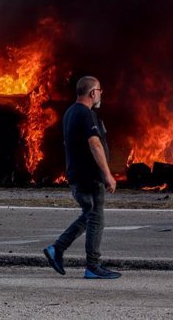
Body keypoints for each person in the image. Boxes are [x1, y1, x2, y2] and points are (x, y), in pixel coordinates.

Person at [43, 76, 121, 279]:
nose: (101, 94)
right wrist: (107, 174)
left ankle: (57, 249)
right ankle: (92, 266)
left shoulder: (70, 112)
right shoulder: (85, 114)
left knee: (89, 215)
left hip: (77, 175)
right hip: (88, 177)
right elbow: (94, 144)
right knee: (96, 218)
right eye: (100, 90)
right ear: (93, 93)